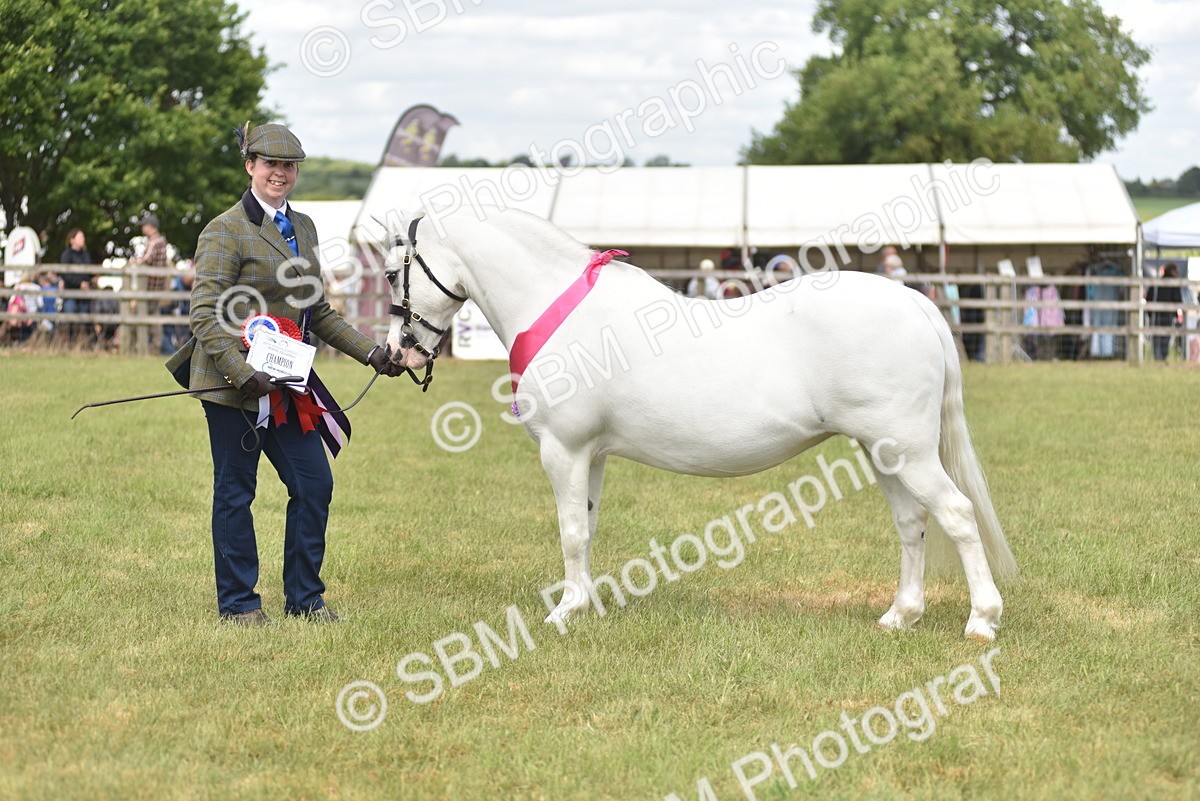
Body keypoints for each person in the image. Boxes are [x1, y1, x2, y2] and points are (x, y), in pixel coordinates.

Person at [165, 122, 405, 626]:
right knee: (236, 492)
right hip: (232, 385)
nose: (280, 172)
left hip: (287, 385)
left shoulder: (306, 227)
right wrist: (241, 373)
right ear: (250, 165)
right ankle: (239, 603)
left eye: (289, 165)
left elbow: (319, 311)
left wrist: (372, 354)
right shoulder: (224, 229)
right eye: (271, 163)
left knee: (314, 483)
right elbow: (204, 315)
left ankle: (305, 599)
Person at [129, 212, 170, 353]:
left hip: (150, 286)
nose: (142, 229)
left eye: (144, 226)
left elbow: (146, 259)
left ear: (149, 226)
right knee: (154, 317)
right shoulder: (162, 241)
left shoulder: (154, 241)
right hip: (157, 287)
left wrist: (134, 262)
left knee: (139, 315)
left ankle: (139, 346)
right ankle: (155, 346)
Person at [59, 229, 93, 343]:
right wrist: (79, 283)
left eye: (83, 237)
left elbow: (89, 272)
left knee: (85, 317)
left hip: (84, 294)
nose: (83, 239)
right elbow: (65, 274)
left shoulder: (86, 255)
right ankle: (70, 343)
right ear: (72, 240)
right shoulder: (67, 255)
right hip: (71, 293)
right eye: (80, 237)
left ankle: (85, 344)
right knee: (70, 315)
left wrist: (88, 282)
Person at [1147, 262, 1183, 361]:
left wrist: (1150, 314)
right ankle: (1162, 357)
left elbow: (1149, 298)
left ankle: (1158, 358)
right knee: (1165, 338)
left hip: (1155, 315)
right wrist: (1178, 315)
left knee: (1156, 338)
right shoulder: (1173, 284)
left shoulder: (1156, 283)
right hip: (1167, 315)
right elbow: (1178, 300)